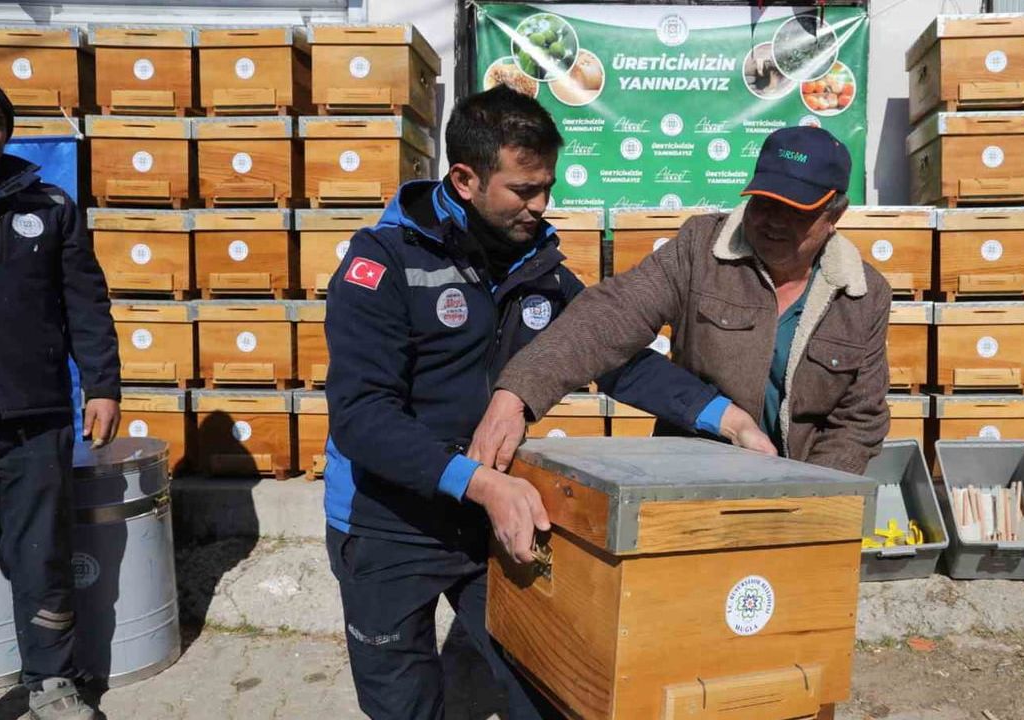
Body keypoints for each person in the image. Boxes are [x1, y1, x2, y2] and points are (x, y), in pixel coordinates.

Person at [322, 85, 770, 720]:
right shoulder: (383, 263)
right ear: (466, 178)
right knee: (405, 705)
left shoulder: (542, 269)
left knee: (546, 684)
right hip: (386, 523)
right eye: (524, 191)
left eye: (547, 187)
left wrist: (721, 416)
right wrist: (477, 482)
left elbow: (612, 356)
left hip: (491, 516)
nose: (542, 205)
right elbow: (363, 418)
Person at [474, 125, 891, 475]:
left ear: (834, 215)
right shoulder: (700, 248)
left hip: (804, 492)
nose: (773, 221)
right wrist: (519, 392)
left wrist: (813, 493)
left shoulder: (864, 295)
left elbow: (859, 419)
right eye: (764, 203)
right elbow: (612, 314)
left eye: (796, 210)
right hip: (692, 477)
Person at [0, 84, 119, 719]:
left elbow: (85, 304)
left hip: (34, 419)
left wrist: (101, 385)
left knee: (41, 554)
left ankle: (51, 683)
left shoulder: (47, 207)